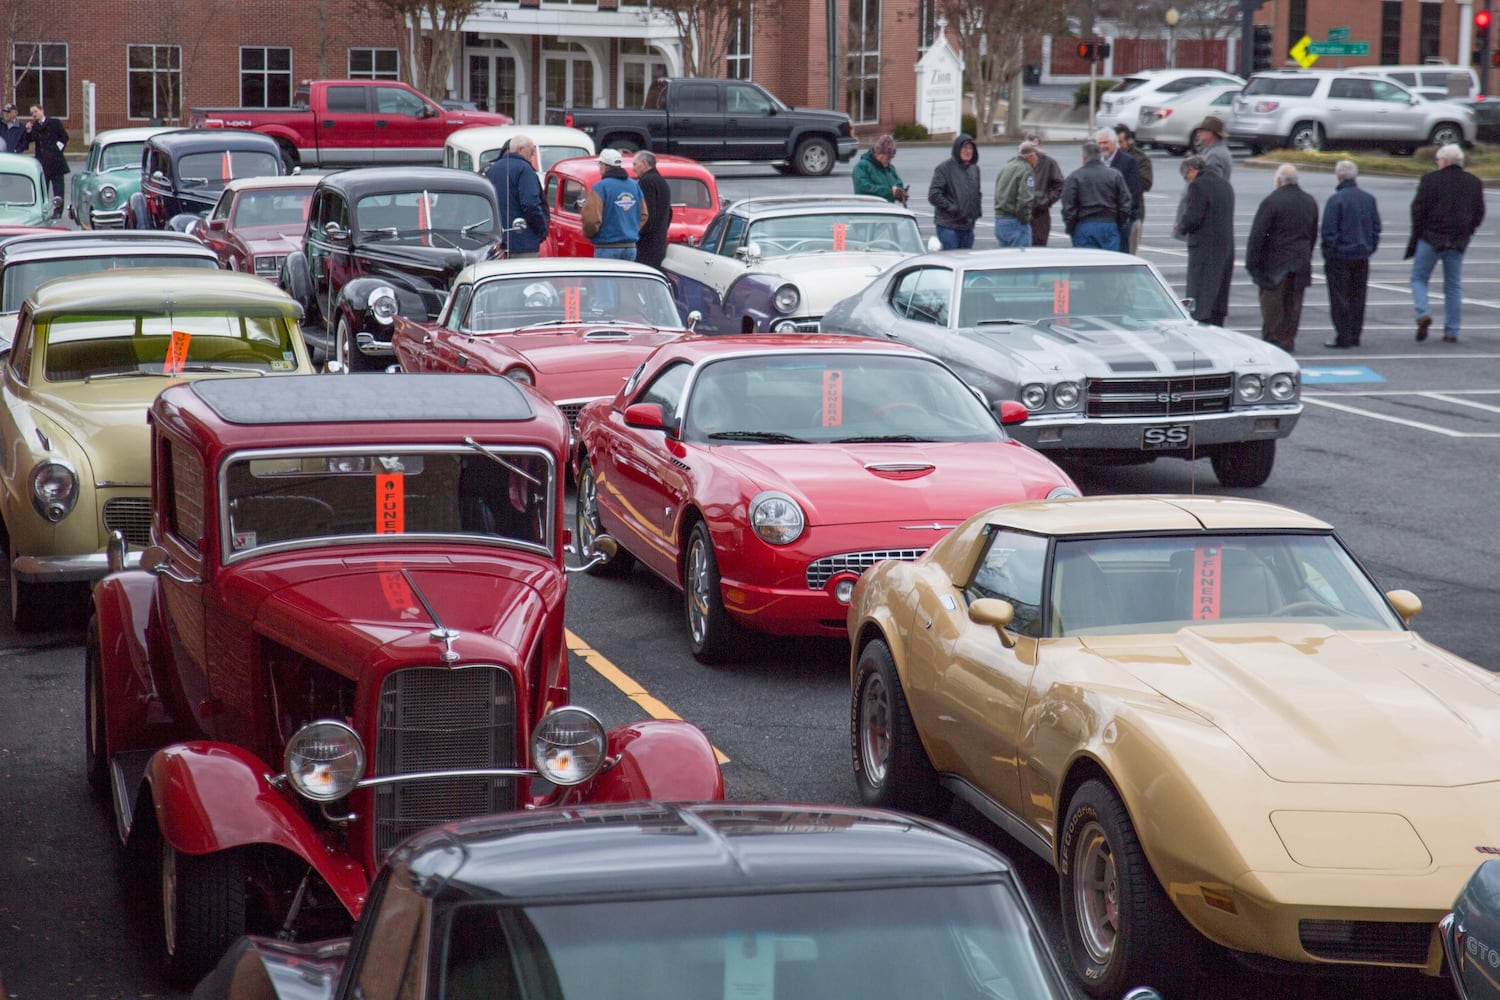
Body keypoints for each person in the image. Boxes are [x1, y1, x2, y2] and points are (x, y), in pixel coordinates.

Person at [1406, 143, 1486, 344]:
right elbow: (1479, 212)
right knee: (1452, 286)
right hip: (1458, 240)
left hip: (1431, 237)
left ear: (1444, 161)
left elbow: (1418, 209)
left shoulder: (1430, 180)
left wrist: (1419, 232)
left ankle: (1423, 312)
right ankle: (1452, 330)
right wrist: (1468, 232)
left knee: (1418, 278)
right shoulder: (1474, 183)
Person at [1245, 164, 1318, 354]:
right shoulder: (1310, 201)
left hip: (1274, 264)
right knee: (1293, 307)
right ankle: (1288, 341)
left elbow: (1258, 235)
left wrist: (1252, 264)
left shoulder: (1272, 201)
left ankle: (1272, 342)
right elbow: (1312, 234)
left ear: (1278, 180)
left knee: (1272, 308)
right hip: (1300, 262)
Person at [1320, 159, 1381, 349]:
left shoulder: (1336, 200)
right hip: (1361, 255)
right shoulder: (1368, 199)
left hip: (1340, 257)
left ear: (1338, 176)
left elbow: (1329, 231)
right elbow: (1376, 227)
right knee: (1358, 297)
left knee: (1340, 298)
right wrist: (1370, 247)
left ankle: (1343, 335)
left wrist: (1330, 252)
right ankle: (1355, 334)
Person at [1173, 154, 1235, 326]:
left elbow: (1193, 216)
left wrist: (1181, 226)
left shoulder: (1198, 186)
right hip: (1225, 247)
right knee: (1218, 292)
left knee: (1200, 292)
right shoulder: (1225, 184)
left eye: (1187, 177)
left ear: (1193, 170)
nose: (1188, 181)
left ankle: (1201, 323)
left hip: (1204, 247)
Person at [1060, 140, 1131, 252]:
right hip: (1109, 223)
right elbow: (1125, 202)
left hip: (1084, 225)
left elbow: (1068, 205)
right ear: (1100, 156)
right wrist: (1120, 222)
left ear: (1084, 157)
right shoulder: (1115, 175)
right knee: (1111, 262)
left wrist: (1070, 226)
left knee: (1087, 264)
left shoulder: (1075, 177)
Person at [483, 133, 547, 257]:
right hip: (523, 241)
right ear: (520, 150)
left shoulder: (493, 169)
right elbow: (530, 204)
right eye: (531, 151)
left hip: (498, 241)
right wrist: (541, 229)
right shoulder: (524, 169)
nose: (533, 155)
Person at [584, 148, 648, 265]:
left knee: (604, 282)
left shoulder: (600, 188)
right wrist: (631, 230)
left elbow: (591, 220)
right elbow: (644, 214)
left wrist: (591, 234)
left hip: (606, 246)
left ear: (605, 166)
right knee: (626, 282)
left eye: (600, 164)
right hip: (630, 247)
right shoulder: (634, 186)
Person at [927, 133, 981, 249]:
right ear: (957, 148)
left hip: (967, 227)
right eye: (964, 147)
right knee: (952, 260)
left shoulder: (974, 169)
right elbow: (934, 194)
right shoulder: (944, 168)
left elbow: (977, 193)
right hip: (949, 226)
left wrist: (976, 211)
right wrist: (952, 207)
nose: (968, 151)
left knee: (966, 262)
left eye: (970, 148)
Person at [17, 104, 68, 219]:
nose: (34, 115)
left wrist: (57, 149)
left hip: (56, 161)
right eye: (32, 113)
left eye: (35, 111)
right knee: (42, 188)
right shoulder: (34, 127)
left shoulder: (54, 123)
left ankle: (58, 210)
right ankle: (43, 210)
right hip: (42, 162)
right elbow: (29, 140)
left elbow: (64, 137)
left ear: (42, 111)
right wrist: (28, 131)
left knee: (58, 189)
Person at [1095, 129, 1141, 254]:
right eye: (1100, 143)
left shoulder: (1128, 162)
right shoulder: (1095, 162)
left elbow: (1134, 192)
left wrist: (1124, 217)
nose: (1103, 146)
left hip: (1121, 220)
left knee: (1120, 255)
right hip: (1100, 219)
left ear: (1115, 142)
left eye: (1106, 142)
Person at [1113, 124, 1153, 254]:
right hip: (1113, 213)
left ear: (1129, 140)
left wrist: (1128, 177)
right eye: (1116, 142)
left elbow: (1146, 183)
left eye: (1121, 142)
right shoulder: (1111, 157)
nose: (1118, 146)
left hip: (1133, 213)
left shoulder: (1140, 158)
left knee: (1129, 252)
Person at [992, 141, 1037, 248]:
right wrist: (1026, 218)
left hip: (1000, 221)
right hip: (1015, 222)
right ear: (1031, 156)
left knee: (1005, 261)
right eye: (1036, 156)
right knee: (1020, 260)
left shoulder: (1006, 167)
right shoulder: (1026, 170)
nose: (1037, 159)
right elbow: (1025, 199)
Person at [632, 150, 673, 271]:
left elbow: (646, 213)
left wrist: (637, 233)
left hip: (647, 246)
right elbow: (669, 213)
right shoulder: (662, 182)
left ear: (644, 164)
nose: (633, 169)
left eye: (635, 164)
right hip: (659, 242)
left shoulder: (647, 181)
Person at [1025, 131, 1064, 247]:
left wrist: (1046, 201)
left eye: (1035, 146)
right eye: (1029, 146)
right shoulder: (1019, 163)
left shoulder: (1049, 163)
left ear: (1039, 146)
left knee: (1038, 247)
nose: (1032, 150)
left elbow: (1060, 185)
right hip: (1021, 215)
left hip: (1040, 216)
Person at [853, 134, 907, 204]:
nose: (890, 160)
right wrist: (890, 192)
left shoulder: (890, 168)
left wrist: (901, 193)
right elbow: (863, 189)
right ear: (879, 153)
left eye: (892, 157)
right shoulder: (862, 166)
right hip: (869, 211)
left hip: (887, 210)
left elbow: (898, 183)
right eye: (888, 157)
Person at [1191, 115, 1233, 180]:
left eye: (1202, 130)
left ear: (1211, 133)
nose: (1198, 133)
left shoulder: (1214, 155)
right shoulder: (1214, 150)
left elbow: (1211, 183)